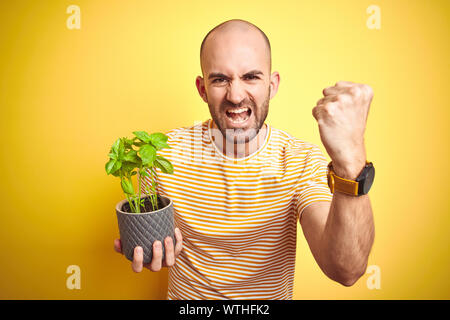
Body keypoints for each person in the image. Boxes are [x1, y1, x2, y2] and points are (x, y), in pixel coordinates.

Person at [114, 19, 375, 300]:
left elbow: (346, 270)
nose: (236, 96)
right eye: (220, 79)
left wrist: (351, 162)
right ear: (202, 89)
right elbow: (150, 238)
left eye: (251, 77)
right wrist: (151, 249)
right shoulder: (163, 154)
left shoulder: (300, 161)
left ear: (272, 85)